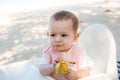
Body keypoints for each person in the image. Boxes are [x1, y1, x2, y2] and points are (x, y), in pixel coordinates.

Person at [39, 10, 94, 80]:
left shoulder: (79, 52)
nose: (57, 40)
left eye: (63, 35)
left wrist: (76, 74)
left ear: (75, 37)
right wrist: (52, 67)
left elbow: (86, 72)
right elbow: (41, 70)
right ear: (48, 35)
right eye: (53, 35)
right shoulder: (48, 52)